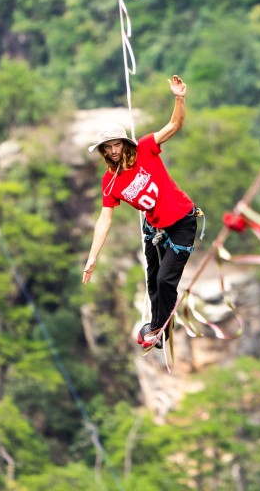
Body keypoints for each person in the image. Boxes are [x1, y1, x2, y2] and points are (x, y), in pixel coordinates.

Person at [82, 75, 198, 349]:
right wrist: (92, 257)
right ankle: (159, 324)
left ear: (125, 143)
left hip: (182, 221)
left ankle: (158, 327)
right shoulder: (109, 182)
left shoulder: (146, 148)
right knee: (152, 281)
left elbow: (175, 125)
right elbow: (104, 219)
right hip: (155, 228)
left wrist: (179, 98)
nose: (113, 151)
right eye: (107, 147)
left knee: (165, 279)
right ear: (102, 151)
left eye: (116, 144)